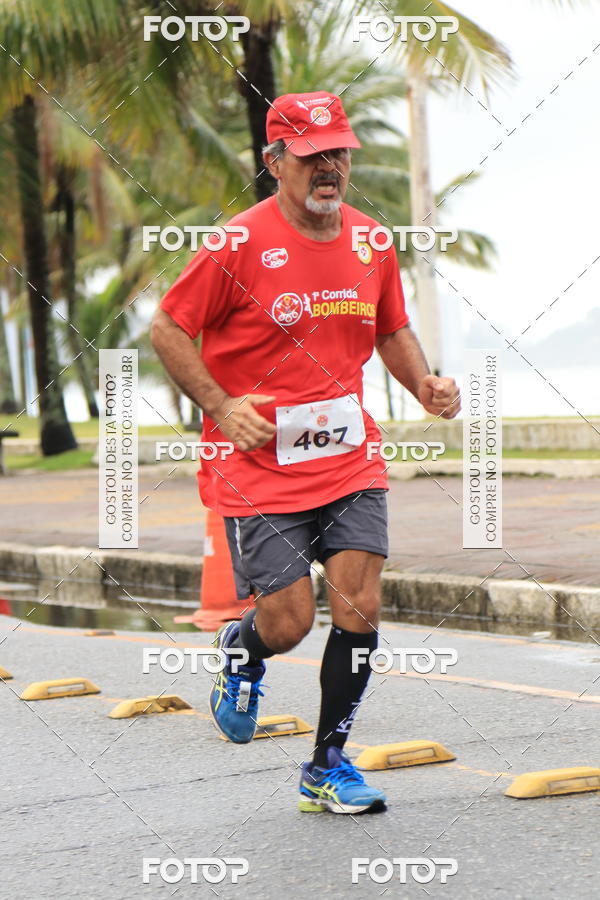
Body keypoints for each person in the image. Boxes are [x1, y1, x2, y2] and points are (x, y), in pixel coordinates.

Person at [151, 90, 461, 815]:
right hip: (258, 466)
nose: (329, 167)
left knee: (360, 604)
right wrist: (223, 407)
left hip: (350, 459)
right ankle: (242, 647)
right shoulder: (237, 244)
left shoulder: (371, 243)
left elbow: (390, 328)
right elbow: (168, 328)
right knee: (288, 623)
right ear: (275, 161)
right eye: (312, 154)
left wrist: (423, 383)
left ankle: (326, 766)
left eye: (339, 153)